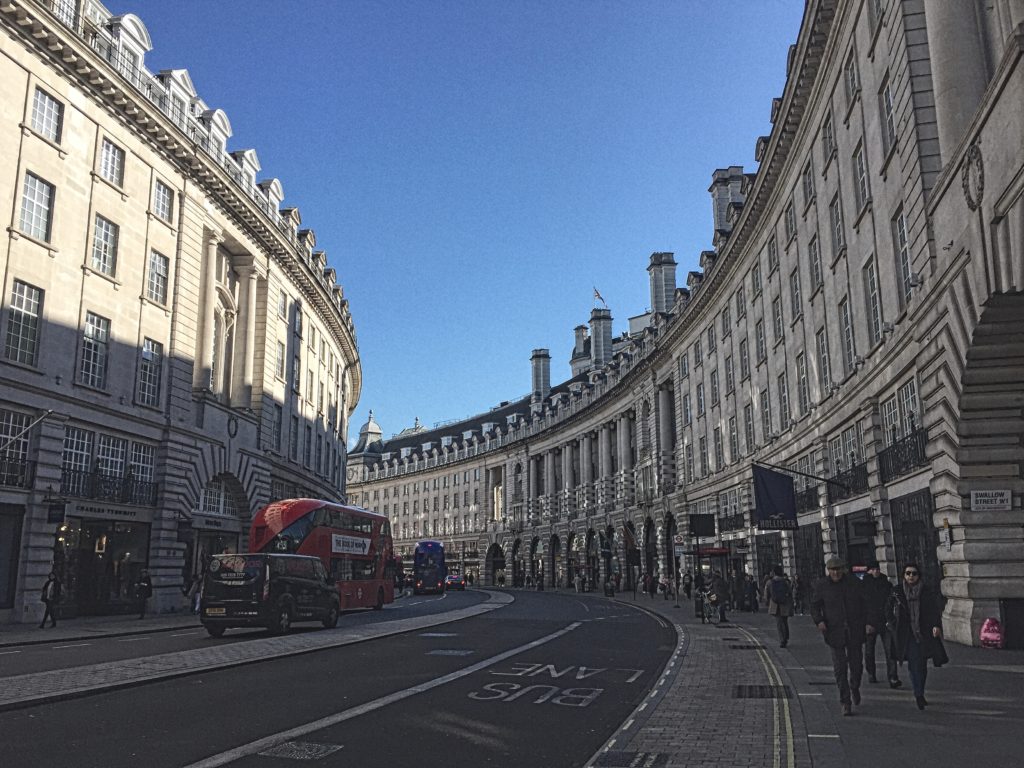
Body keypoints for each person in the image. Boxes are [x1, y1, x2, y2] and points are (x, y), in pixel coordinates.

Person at [810, 557, 872, 716]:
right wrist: (819, 621)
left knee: (857, 665)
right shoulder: (822, 586)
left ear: (843, 570)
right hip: (834, 631)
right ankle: (845, 701)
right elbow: (815, 606)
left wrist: (868, 623)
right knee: (840, 668)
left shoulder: (854, 583)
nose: (835, 573)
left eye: (838, 569)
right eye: (832, 570)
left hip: (854, 630)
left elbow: (866, 604)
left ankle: (855, 686)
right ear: (828, 570)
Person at [886, 562, 943, 710]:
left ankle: (920, 690)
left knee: (922, 665)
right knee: (914, 663)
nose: (911, 576)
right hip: (906, 633)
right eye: (908, 573)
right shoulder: (897, 591)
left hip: (923, 632)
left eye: (914, 573)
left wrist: (936, 625)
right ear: (904, 575)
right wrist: (892, 624)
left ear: (919, 575)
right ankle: (918, 694)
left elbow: (933, 610)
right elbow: (887, 609)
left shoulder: (925, 591)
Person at [863, 559, 901, 688]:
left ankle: (893, 677)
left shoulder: (887, 584)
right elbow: (860, 606)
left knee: (890, 651)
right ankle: (871, 673)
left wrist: (892, 620)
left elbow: (892, 602)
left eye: (877, 569)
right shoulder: (863, 586)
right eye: (873, 569)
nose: (876, 571)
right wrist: (866, 623)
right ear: (869, 571)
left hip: (886, 622)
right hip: (870, 623)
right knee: (869, 652)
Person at [764, 565, 793, 647]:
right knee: (785, 621)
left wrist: (767, 602)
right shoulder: (785, 582)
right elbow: (790, 593)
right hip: (784, 604)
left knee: (779, 623)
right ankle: (786, 637)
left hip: (775, 605)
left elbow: (766, 594)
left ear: (774, 572)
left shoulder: (770, 582)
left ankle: (782, 639)